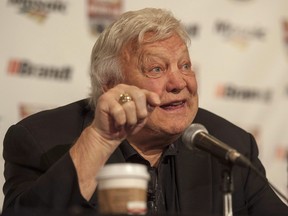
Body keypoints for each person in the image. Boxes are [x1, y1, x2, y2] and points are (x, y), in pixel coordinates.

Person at [2, 8, 288, 216]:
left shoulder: (231, 146)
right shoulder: (39, 141)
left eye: (185, 66)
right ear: (110, 85)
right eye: (156, 69)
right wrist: (100, 140)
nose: (179, 83)